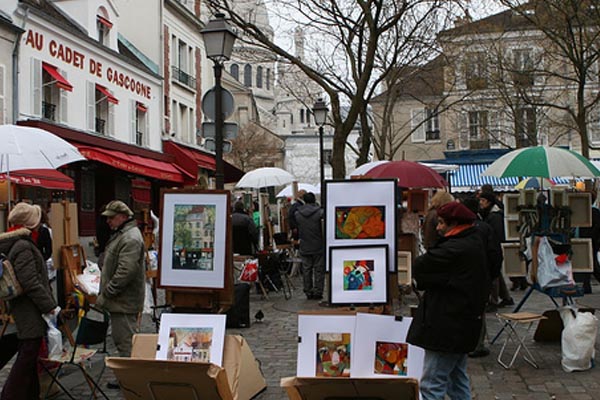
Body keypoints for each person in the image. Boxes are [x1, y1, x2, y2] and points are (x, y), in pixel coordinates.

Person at [407, 202, 488, 399]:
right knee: (456, 379)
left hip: (447, 325)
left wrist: (432, 279)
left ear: (455, 223)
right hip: (460, 324)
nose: (438, 228)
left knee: (432, 384)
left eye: (441, 223)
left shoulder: (456, 248)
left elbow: (421, 265)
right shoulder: (473, 241)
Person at [0, 202, 58, 400]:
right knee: (26, 357)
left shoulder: (20, 243)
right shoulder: (23, 246)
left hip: (26, 309)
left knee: (30, 357)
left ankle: (31, 395)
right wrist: (49, 306)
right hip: (29, 310)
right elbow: (31, 282)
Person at [96, 200, 145, 388]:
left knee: (126, 341)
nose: (108, 221)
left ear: (123, 217)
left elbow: (126, 271)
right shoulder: (123, 234)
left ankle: (131, 379)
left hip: (123, 300)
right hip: (121, 299)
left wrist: (109, 291)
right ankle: (129, 376)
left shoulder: (130, 237)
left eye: (111, 217)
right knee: (124, 339)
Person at [462, 197, 500, 358]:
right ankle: (477, 344)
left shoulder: (460, 228)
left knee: (465, 308)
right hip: (481, 276)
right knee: (478, 310)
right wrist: (492, 275)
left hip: (464, 276)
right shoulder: (484, 228)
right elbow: (495, 254)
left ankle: (467, 342)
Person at [479, 191, 515, 310]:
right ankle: (506, 297)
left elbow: (495, 234)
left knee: (493, 274)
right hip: (494, 247)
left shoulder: (494, 216)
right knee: (497, 273)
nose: (481, 203)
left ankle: (493, 301)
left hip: (494, 248)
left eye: (483, 201)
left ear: (488, 202)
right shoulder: (490, 214)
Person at [295, 192, 324, 300]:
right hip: (318, 245)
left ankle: (308, 290)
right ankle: (318, 291)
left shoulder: (298, 214)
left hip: (304, 245)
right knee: (318, 269)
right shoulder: (320, 212)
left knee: (306, 269)